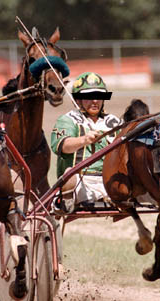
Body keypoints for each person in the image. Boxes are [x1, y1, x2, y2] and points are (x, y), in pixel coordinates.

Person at [50, 72, 121, 213]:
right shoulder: (68, 120)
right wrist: (84, 140)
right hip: (79, 182)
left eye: (99, 96)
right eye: (89, 96)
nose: (95, 101)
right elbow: (62, 146)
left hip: (108, 181)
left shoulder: (114, 122)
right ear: (78, 100)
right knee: (69, 174)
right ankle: (66, 202)